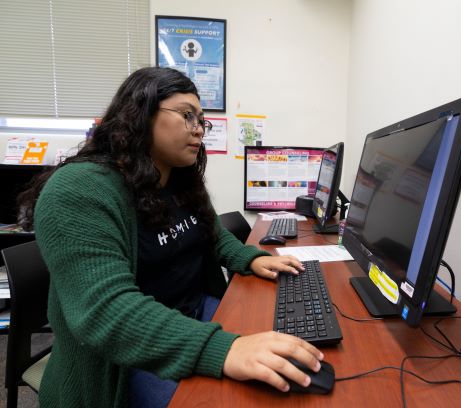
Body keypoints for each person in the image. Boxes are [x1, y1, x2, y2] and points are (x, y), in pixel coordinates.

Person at [18, 67, 324, 407]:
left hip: (194, 314)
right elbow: (106, 311)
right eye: (187, 116)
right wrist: (223, 349)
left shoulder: (180, 180)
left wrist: (250, 258)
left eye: (201, 121)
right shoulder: (80, 189)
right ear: (140, 114)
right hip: (126, 356)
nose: (198, 131)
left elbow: (213, 234)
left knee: (289, 347)